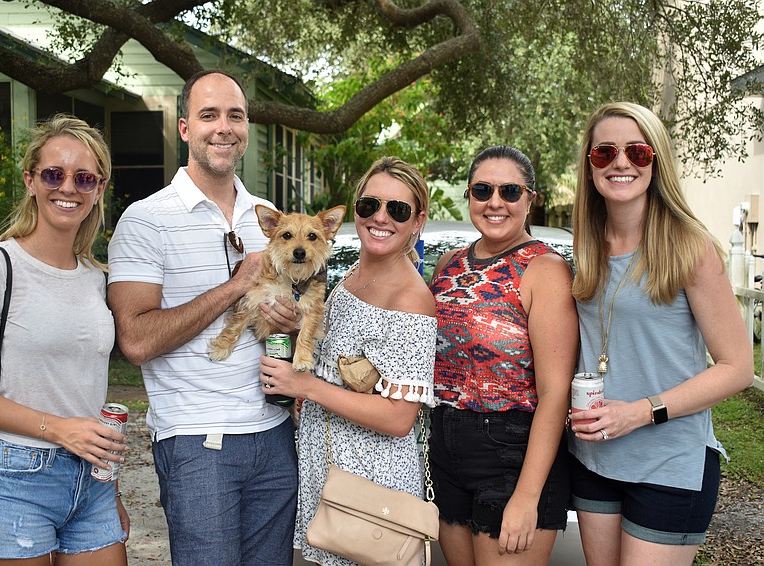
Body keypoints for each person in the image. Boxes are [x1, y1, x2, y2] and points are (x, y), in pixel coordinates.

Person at [106, 70, 300, 566]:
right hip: (197, 441)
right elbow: (136, 341)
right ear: (185, 128)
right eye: (209, 115)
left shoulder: (270, 217)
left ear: (247, 126)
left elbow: (286, 326)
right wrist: (236, 286)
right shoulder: (146, 219)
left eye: (235, 115)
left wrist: (289, 323)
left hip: (275, 434)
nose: (224, 127)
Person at [0, 114, 129, 564]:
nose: (67, 188)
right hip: (17, 475)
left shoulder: (97, 279)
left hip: (93, 480)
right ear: (30, 180)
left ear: (98, 189)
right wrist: (58, 429)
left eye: (83, 178)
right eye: (53, 174)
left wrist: (109, 483)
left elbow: (86, 389)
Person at [567, 101, 753, 565]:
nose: (621, 163)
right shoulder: (586, 249)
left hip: (670, 462)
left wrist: (640, 412)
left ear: (657, 162)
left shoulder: (689, 248)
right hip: (595, 458)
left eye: (638, 152)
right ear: (589, 168)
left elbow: (738, 369)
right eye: (604, 153)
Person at [259, 156, 436, 565]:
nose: (381, 217)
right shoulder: (355, 272)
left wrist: (304, 386)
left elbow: (399, 417)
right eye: (369, 205)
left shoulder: (410, 299)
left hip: (372, 492)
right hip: (331, 475)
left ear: (417, 221)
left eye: (398, 209)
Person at [428, 145, 578, 565]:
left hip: (512, 453)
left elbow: (555, 392)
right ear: (469, 196)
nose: (495, 202)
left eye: (510, 191)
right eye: (483, 190)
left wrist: (527, 496)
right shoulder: (448, 264)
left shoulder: (545, 269)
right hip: (445, 448)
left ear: (531, 198)